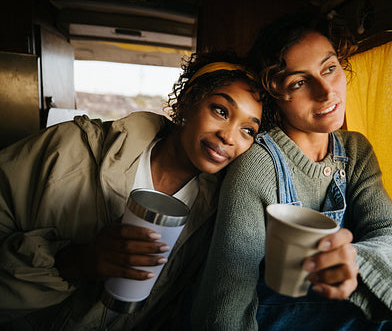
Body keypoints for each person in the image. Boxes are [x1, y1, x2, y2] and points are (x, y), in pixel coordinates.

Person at [190, 12, 392, 330]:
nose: (325, 92)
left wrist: (354, 262)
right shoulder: (257, 166)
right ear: (275, 96)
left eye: (329, 69)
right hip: (267, 311)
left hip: (334, 301)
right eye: (300, 82)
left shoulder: (356, 151)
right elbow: (228, 296)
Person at [0, 51, 262, 330]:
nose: (229, 136)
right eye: (221, 111)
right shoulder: (69, 147)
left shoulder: (217, 211)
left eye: (248, 130)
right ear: (188, 101)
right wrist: (76, 262)